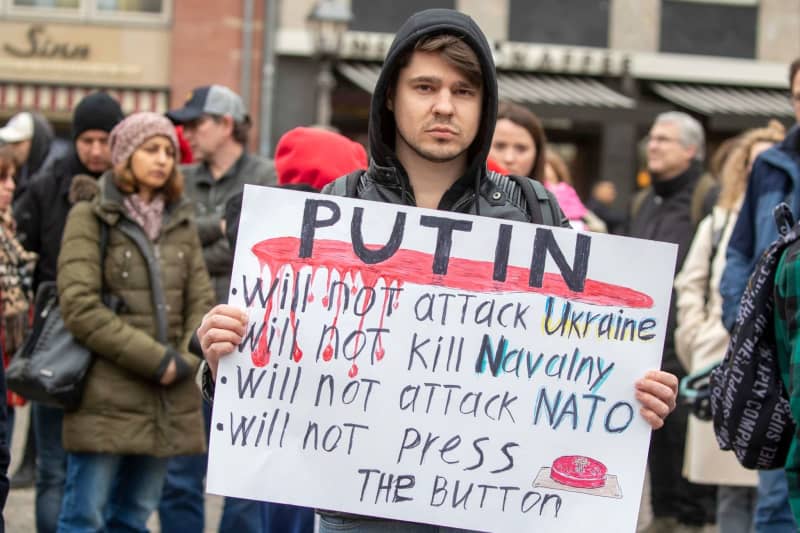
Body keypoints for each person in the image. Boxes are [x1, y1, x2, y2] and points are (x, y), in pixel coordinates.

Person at [196, 8, 680, 533]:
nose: (444, 106)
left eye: (464, 91)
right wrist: (224, 363)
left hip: (497, 512)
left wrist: (637, 392)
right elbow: (289, 364)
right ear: (390, 96)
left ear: (485, 104)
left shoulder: (534, 210)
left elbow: (581, 361)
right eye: (425, 87)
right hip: (357, 514)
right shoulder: (338, 206)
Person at [54, 112, 215, 531]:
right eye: (151, 149)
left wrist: (182, 358)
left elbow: (201, 301)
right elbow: (79, 306)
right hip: (106, 395)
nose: (163, 159)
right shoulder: (91, 216)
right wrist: (156, 361)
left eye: (168, 151)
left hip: (169, 396)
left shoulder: (180, 221)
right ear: (125, 156)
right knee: (83, 518)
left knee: (133, 517)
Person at [159, 84, 276, 533]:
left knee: (244, 480)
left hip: (246, 346)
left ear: (227, 124)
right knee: (179, 476)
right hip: (188, 339)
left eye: (197, 123)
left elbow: (259, 254)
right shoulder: (182, 177)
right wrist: (221, 230)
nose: (188, 133)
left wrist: (199, 240)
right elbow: (173, 249)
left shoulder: (264, 177)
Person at [13, 91, 124, 533]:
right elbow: (22, 252)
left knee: (101, 469)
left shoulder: (129, 185)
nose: (96, 151)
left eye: (104, 140)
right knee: (53, 469)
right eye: (86, 140)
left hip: (112, 343)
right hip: (55, 342)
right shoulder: (46, 185)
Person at [675, 122, 785, 533]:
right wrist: (696, 338)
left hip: (779, 369)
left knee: (775, 487)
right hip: (725, 363)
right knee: (733, 491)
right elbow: (691, 283)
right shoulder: (719, 220)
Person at [720, 58, 800, 533]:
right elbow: (740, 250)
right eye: (797, 97)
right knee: (774, 503)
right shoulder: (771, 164)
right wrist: (743, 319)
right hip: (779, 363)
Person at [627, 111, 717, 532]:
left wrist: (695, 336)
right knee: (656, 439)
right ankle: (663, 518)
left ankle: (691, 521)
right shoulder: (644, 199)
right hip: (647, 343)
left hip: (686, 348)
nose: (653, 145)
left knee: (686, 441)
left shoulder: (707, 197)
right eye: (652, 137)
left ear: (690, 150)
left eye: (663, 139)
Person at [0, 111, 63, 206]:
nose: (10, 147)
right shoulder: (18, 175)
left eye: (17, 143)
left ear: (35, 145)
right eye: (8, 142)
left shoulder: (52, 182)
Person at [543, 149, 607, 232]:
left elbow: (580, 208)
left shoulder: (566, 188)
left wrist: (593, 224)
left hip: (575, 222)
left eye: (546, 166)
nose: (544, 170)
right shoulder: (541, 187)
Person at [489, 100, 547, 181]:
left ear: (537, 153)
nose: (509, 158)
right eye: (499, 146)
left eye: (521, 149)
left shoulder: (550, 193)